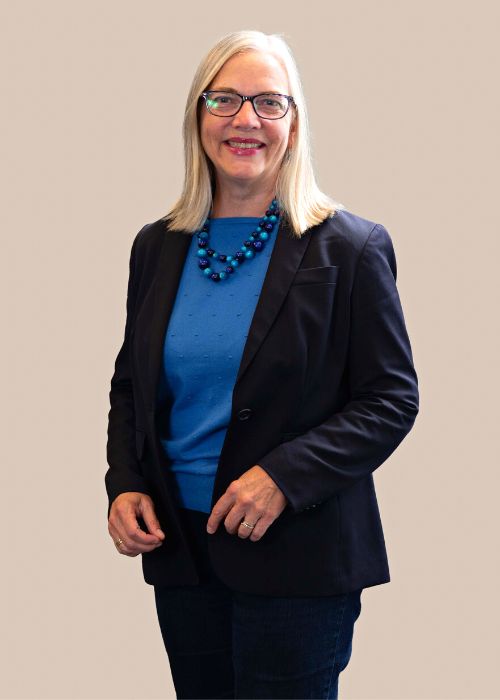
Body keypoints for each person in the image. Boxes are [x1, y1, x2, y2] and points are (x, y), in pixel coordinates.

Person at [105, 29, 419, 700]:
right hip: (181, 552)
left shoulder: (352, 248)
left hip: (297, 558)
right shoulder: (156, 247)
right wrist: (124, 483)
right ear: (198, 117)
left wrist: (282, 476)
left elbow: (390, 399)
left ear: (294, 121)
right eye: (225, 100)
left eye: (268, 103)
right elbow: (132, 386)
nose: (245, 120)